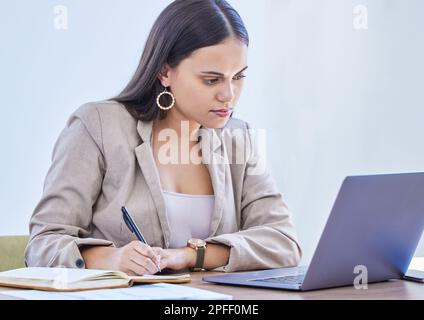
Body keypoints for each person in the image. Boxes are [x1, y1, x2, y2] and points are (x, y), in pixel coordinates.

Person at [25, 0, 301, 276]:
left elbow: (283, 241)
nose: (229, 94)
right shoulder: (98, 126)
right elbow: (44, 243)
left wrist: (190, 255)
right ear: (165, 72)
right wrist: (110, 258)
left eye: (238, 77)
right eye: (211, 80)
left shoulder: (239, 138)